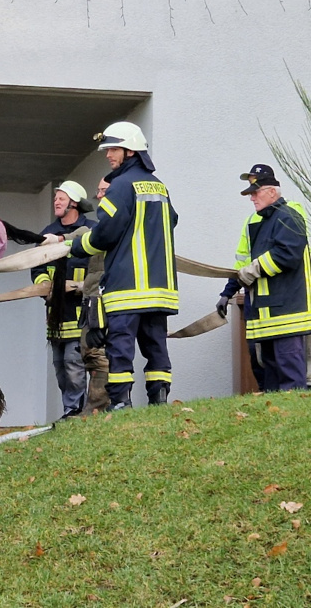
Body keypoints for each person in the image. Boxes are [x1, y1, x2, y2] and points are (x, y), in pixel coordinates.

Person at [70, 121, 178, 409]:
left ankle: (121, 404)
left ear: (130, 152)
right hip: (159, 288)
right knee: (156, 346)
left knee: (120, 348)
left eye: (113, 149)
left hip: (127, 287)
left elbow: (105, 232)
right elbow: (173, 220)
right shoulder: (159, 186)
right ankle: (159, 400)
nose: (108, 156)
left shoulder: (120, 186)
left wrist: (78, 247)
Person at [219, 164, 311, 391]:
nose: (251, 198)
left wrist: (254, 269)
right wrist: (227, 293)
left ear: (272, 191)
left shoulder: (288, 216)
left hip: (287, 315)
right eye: (250, 193)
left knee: (290, 379)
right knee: (269, 379)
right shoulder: (259, 222)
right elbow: (243, 264)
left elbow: (287, 255)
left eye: (256, 192)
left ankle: (294, 420)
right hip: (265, 316)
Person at [32, 180, 95, 419]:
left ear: (74, 203)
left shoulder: (91, 231)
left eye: (61, 197)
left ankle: (75, 410)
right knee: (60, 368)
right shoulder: (47, 235)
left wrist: (83, 287)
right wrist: (42, 287)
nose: (56, 201)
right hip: (56, 316)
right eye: (55, 197)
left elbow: (99, 268)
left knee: (74, 364)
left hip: (81, 315)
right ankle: (71, 408)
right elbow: (37, 268)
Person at [79, 178, 112, 414]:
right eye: (98, 191)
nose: (98, 196)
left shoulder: (116, 227)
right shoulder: (99, 228)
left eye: (103, 191)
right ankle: (95, 408)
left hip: (105, 302)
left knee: (100, 354)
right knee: (90, 353)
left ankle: (97, 409)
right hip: (92, 301)